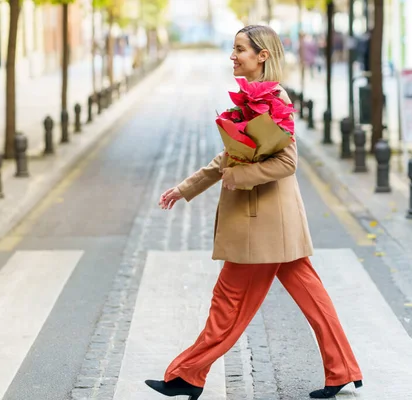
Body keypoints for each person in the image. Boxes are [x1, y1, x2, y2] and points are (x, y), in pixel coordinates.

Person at [145, 25, 363, 400]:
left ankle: (187, 374)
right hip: (273, 221)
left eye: (240, 49)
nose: (233, 56)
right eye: (233, 49)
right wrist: (187, 188)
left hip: (261, 221)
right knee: (312, 298)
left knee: (228, 302)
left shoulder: (273, 98)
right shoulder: (252, 96)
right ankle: (342, 369)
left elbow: (287, 162)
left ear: (262, 55)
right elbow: (233, 153)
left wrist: (238, 177)